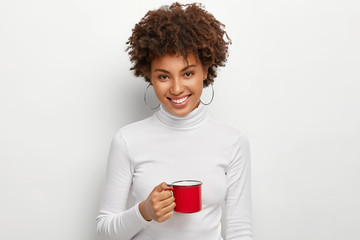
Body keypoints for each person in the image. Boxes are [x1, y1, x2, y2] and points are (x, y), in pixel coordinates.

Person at [96, 2, 253, 240]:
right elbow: (105, 232)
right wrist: (144, 211)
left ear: (206, 70)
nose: (177, 88)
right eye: (163, 76)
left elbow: (239, 231)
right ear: (149, 75)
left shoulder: (233, 141)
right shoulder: (127, 140)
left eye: (188, 73)